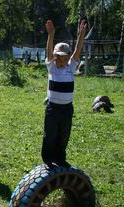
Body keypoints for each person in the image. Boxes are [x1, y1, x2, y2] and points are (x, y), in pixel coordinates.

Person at [41, 19, 87, 168]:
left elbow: (78, 50)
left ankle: (60, 158)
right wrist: (51, 34)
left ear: (68, 58)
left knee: (64, 135)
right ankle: (48, 159)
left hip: (67, 109)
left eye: (62, 58)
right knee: (50, 135)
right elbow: (48, 51)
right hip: (53, 108)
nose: (59, 60)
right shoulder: (52, 68)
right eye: (57, 57)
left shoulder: (71, 67)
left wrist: (81, 34)